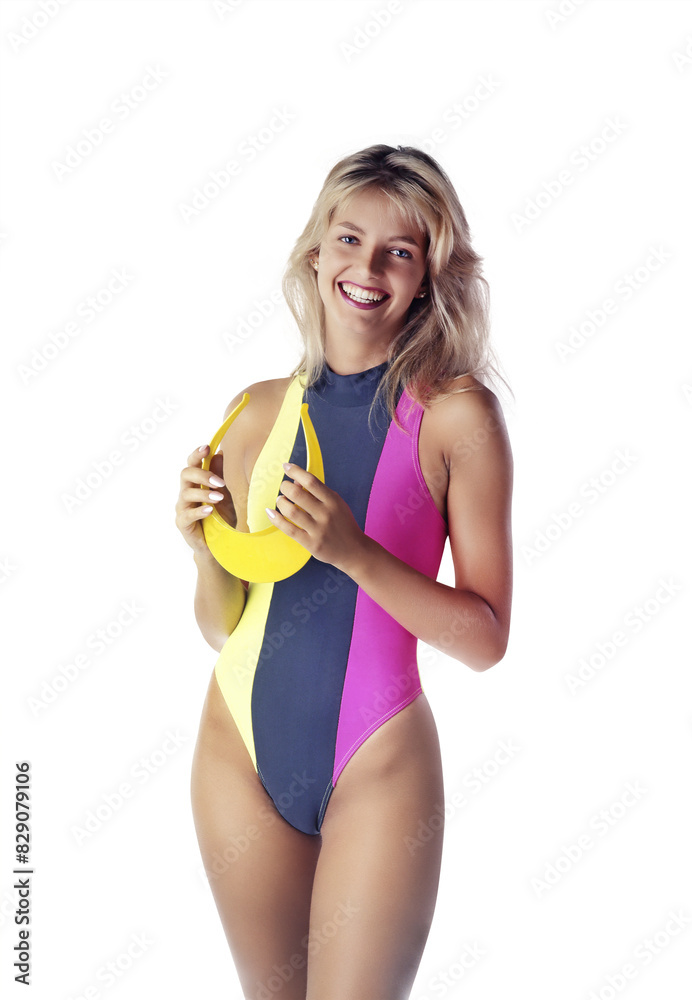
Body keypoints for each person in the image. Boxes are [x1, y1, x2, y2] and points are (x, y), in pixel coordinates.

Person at [176, 143, 513, 999]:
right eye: (349, 240)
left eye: (399, 251)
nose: (367, 269)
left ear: (427, 277)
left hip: (377, 762)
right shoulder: (254, 412)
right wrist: (202, 548)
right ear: (316, 251)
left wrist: (353, 551)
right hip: (236, 749)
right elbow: (223, 625)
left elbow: (484, 639)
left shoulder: (456, 418)